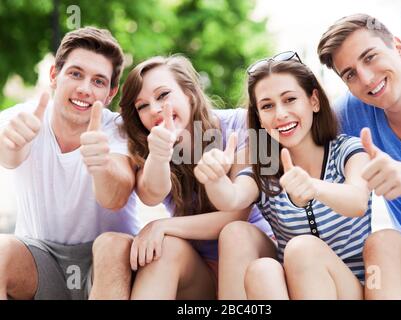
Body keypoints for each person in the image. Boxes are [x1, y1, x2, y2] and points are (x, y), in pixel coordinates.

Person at [195, 51, 372, 299]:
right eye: (267, 106)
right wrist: (215, 179)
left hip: (351, 286)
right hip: (293, 286)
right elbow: (231, 199)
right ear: (259, 117)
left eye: (289, 99)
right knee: (248, 248)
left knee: (302, 248)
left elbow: (357, 201)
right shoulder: (264, 166)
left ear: (314, 101)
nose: (280, 114)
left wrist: (313, 187)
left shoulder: (347, 150)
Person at [94, 55, 273, 299]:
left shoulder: (239, 124)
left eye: (163, 95)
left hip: (255, 256)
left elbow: (237, 212)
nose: (155, 109)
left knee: (235, 233)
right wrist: (159, 154)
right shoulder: (150, 148)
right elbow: (150, 195)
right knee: (164, 247)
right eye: (142, 106)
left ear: (188, 93)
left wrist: (163, 226)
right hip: (202, 270)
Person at [0, 27, 139, 300]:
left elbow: (117, 195)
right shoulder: (25, 117)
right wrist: (11, 147)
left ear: (111, 93)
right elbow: (10, 155)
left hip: (106, 266)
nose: (85, 89)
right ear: (54, 75)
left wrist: (102, 166)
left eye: (98, 81)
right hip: (40, 261)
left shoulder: (120, 130)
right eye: (76, 74)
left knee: (113, 246)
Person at [317, 13, 401, 299]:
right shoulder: (354, 112)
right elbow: (299, 127)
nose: (366, 78)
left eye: (370, 57)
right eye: (350, 74)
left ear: (398, 47)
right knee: (382, 244)